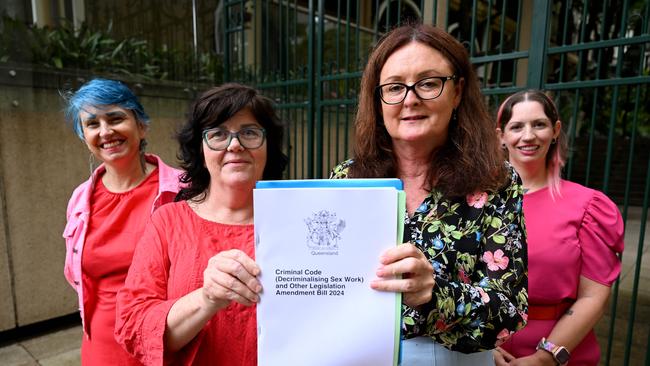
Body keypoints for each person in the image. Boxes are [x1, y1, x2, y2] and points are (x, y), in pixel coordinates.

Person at [329, 23, 528, 364]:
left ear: (458, 91)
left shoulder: (495, 178)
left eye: (428, 83)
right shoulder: (348, 177)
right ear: (377, 100)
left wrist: (435, 296)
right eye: (394, 87)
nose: (410, 99)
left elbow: (510, 310)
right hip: (358, 353)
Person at [114, 83, 288, 365]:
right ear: (200, 148)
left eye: (250, 132)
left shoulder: (297, 222)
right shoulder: (168, 222)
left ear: (268, 145)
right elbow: (134, 325)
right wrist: (206, 299)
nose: (235, 145)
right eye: (218, 134)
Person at [493, 90, 624, 365]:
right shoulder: (477, 202)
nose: (528, 136)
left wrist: (544, 358)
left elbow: (594, 297)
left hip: (562, 353)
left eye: (538, 124)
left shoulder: (587, 206)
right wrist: (481, 348)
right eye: (516, 126)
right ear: (501, 136)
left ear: (555, 130)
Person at [62, 78, 183, 365]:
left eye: (116, 118)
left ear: (141, 126)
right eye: (92, 124)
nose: (105, 132)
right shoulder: (81, 199)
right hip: (101, 345)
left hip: (166, 341)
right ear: (84, 136)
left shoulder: (182, 190)